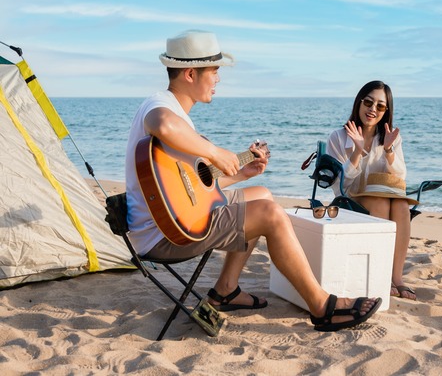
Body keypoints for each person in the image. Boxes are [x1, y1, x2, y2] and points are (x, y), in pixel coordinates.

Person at [124, 30, 380, 331]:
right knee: (270, 215)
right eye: (214, 71)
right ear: (191, 73)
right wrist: (215, 152)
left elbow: (191, 191)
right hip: (165, 233)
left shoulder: (179, 114)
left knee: (263, 195)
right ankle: (322, 306)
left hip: (170, 217)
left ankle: (225, 289)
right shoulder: (161, 106)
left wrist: (242, 173)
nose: (218, 79)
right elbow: (162, 125)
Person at [326, 80, 418, 301]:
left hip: (384, 198)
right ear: (359, 102)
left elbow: (399, 177)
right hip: (349, 201)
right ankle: (380, 275)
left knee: (401, 204)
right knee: (380, 202)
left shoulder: (389, 137)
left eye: (380, 106)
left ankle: (396, 277)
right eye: (368, 102)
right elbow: (340, 186)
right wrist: (357, 151)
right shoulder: (338, 137)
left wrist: (388, 150)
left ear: (386, 111)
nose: (373, 109)